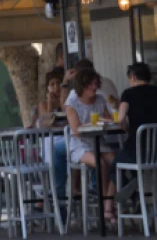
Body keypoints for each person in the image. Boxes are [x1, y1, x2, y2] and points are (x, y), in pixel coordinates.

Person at [111, 63, 157, 201]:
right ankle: (135, 186)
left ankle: (134, 195)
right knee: (131, 163)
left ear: (133, 77)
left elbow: (120, 120)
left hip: (136, 151)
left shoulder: (128, 94)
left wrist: (124, 124)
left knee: (114, 167)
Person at [64, 69, 117, 227]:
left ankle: (108, 204)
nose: (94, 87)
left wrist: (108, 118)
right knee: (100, 164)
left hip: (99, 142)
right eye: (91, 84)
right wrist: (97, 121)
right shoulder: (72, 103)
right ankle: (105, 205)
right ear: (82, 85)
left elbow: (108, 117)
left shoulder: (100, 99)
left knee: (117, 163)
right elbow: (76, 130)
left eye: (96, 84)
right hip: (79, 145)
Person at [36, 68, 68, 200]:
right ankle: (55, 194)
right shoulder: (43, 104)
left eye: (58, 83)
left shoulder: (67, 102)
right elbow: (48, 122)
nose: (56, 87)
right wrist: (50, 103)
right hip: (51, 141)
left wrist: (61, 101)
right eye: (52, 84)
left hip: (66, 139)